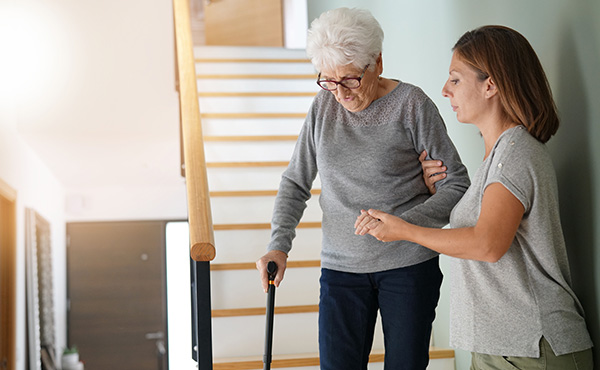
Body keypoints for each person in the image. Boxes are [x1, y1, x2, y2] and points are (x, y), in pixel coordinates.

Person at [355, 25, 594, 369]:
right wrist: (430, 190)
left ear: (490, 85)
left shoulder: (515, 154)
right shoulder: (497, 156)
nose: (445, 90)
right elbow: (485, 223)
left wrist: (403, 230)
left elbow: (487, 244)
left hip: (534, 346)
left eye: (455, 79)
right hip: (505, 346)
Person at [255, 7, 470, 370]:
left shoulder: (411, 105)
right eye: (328, 81)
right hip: (340, 269)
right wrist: (278, 245)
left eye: (351, 80)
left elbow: (456, 183)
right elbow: (295, 181)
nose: (341, 94)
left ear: (378, 63)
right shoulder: (323, 108)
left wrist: (403, 224)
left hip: (408, 266)